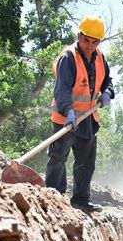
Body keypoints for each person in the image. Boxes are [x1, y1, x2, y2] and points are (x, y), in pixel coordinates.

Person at [46, 16, 114, 212]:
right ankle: (54, 200)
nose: (90, 46)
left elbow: (107, 81)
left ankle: (81, 200)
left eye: (95, 42)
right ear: (79, 36)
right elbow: (62, 89)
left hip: (88, 118)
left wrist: (108, 93)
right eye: (86, 40)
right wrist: (68, 112)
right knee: (58, 157)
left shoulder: (100, 57)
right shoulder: (68, 58)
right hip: (66, 117)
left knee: (86, 161)